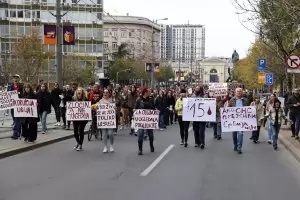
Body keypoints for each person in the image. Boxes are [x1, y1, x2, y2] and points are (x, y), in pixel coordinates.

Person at [227, 87, 249, 154]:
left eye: (240, 91)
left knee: (240, 133)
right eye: (237, 91)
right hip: (234, 120)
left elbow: (248, 109)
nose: (239, 92)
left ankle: (239, 147)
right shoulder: (232, 100)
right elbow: (228, 109)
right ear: (235, 93)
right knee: (234, 134)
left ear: (242, 92)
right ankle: (235, 145)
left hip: (242, 120)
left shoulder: (246, 100)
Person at [135, 88, 155, 155]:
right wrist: (135, 110)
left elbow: (153, 108)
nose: (150, 93)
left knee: (150, 134)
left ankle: (151, 145)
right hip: (141, 119)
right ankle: (140, 149)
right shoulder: (139, 99)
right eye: (149, 91)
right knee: (140, 134)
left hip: (149, 119)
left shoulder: (151, 99)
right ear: (145, 92)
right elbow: (135, 108)